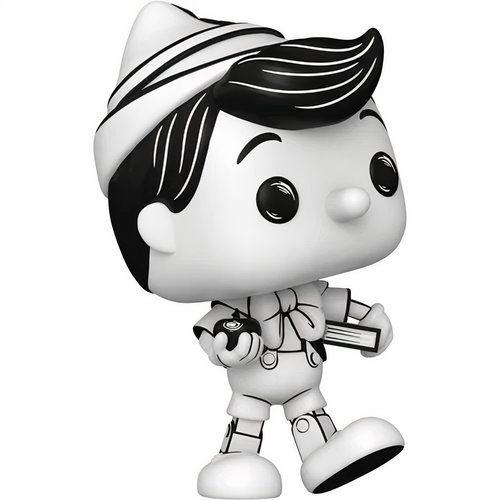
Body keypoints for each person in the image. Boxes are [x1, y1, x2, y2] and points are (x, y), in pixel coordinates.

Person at [94, 2, 407, 498]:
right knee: (247, 422)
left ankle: (326, 453)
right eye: (278, 198)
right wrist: (230, 344)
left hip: (305, 376)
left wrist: (370, 320)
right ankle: (236, 462)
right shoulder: (235, 302)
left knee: (310, 410)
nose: (355, 201)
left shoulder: (306, 287)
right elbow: (216, 335)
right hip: (254, 382)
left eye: (380, 172)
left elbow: (332, 303)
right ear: (157, 227)